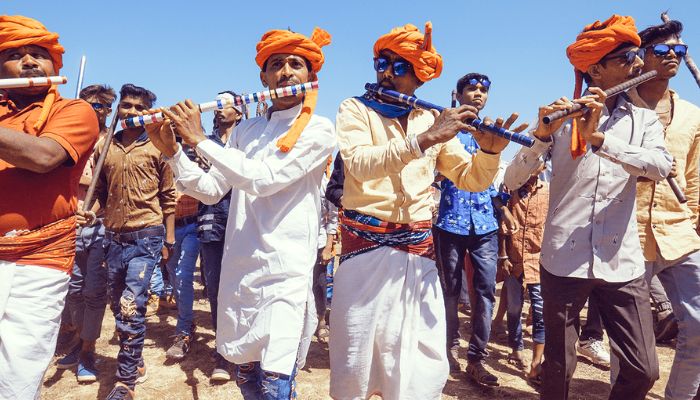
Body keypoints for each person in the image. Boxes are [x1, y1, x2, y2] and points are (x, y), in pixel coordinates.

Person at [330, 22, 523, 400]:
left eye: (398, 67)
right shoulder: (354, 109)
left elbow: (469, 179)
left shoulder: (430, 120)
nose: (385, 73)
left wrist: (490, 151)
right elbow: (359, 164)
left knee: (419, 361)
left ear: (419, 77)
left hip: (417, 253)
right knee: (357, 358)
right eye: (380, 64)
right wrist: (424, 140)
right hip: (364, 249)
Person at [143, 27, 334, 399]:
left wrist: (199, 139)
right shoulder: (246, 131)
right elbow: (211, 190)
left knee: (276, 382)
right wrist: (173, 152)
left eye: (296, 64)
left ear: (311, 77)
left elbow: (265, 180)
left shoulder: (320, 129)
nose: (286, 72)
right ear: (263, 77)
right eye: (276, 64)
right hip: (242, 270)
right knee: (246, 376)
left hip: (285, 272)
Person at [504, 14, 671, 400]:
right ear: (595, 69)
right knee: (558, 371)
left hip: (621, 261)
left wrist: (599, 139)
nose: (637, 64)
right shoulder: (561, 116)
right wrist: (540, 139)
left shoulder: (644, 119)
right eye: (627, 57)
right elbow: (511, 181)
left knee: (643, 369)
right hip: (564, 259)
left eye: (636, 56)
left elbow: (661, 166)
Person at [0, 15, 99, 399]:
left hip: (40, 261)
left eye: (39, 54)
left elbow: (44, 157)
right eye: (15, 54)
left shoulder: (74, 111)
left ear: (55, 65)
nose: (29, 62)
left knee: (18, 372)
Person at [80, 83, 177, 400]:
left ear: (147, 112)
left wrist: (170, 238)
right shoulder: (104, 147)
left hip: (146, 236)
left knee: (131, 307)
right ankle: (134, 360)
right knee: (117, 308)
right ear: (119, 109)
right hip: (113, 237)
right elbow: (101, 196)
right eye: (127, 106)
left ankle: (125, 384)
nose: (132, 112)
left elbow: (168, 198)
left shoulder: (157, 148)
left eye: (139, 107)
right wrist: (91, 215)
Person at [629, 19, 700, 400]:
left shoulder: (692, 114)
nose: (673, 55)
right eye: (662, 50)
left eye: (680, 50)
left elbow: (695, 176)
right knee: (632, 336)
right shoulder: (619, 108)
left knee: (699, 325)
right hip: (627, 235)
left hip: (680, 232)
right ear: (641, 57)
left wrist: (697, 221)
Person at [433, 72, 502, 383]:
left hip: (486, 224)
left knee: (485, 291)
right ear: (457, 94)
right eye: (471, 89)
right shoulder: (444, 131)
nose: (478, 94)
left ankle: (477, 358)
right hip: (449, 222)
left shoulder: (492, 133)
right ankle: (448, 349)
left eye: (483, 90)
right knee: (449, 291)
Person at [57, 84, 116, 383]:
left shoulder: (114, 143)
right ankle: (77, 341)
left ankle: (88, 352)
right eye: (91, 105)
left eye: (103, 106)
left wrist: (88, 181)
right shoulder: (69, 136)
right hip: (67, 223)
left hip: (100, 225)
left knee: (94, 293)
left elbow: (111, 184)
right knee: (73, 291)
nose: (97, 111)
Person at [197, 91, 245, 382]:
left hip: (243, 225)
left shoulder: (249, 142)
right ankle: (222, 353)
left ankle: (245, 350)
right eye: (215, 104)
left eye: (225, 104)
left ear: (239, 112)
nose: (218, 109)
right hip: (211, 224)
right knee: (215, 290)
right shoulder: (203, 144)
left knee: (243, 288)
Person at [501, 164, 548, 384]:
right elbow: (501, 225)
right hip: (515, 262)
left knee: (540, 312)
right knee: (514, 308)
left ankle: (536, 364)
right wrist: (504, 257)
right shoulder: (509, 190)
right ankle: (515, 348)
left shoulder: (549, 191)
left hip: (538, 264)